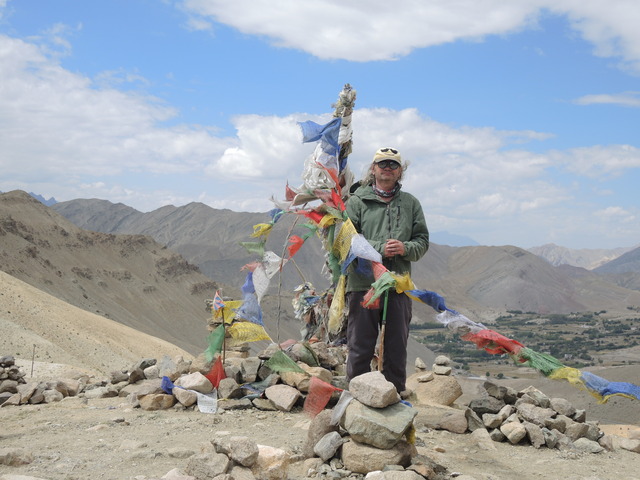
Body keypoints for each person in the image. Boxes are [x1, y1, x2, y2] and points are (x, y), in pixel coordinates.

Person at [345, 147, 429, 397]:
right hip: (363, 283)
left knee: (396, 346)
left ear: (400, 171)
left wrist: (405, 248)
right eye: (382, 164)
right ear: (373, 169)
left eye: (393, 165)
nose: (387, 169)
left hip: (398, 283)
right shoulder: (357, 202)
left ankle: (394, 398)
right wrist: (381, 248)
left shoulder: (411, 203)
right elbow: (346, 241)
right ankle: (355, 398)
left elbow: (422, 241)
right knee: (360, 344)